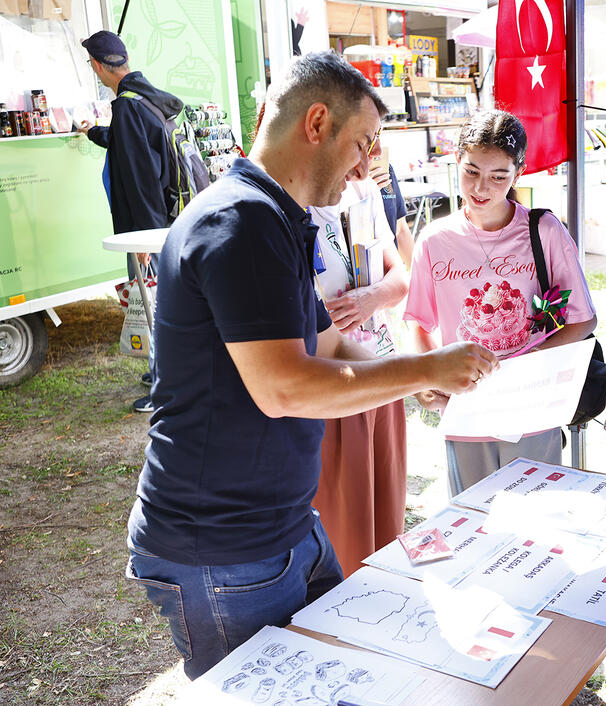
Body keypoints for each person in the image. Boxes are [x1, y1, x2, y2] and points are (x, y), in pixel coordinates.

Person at [123, 51, 497, 680]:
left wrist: (420, 375)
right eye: (362, 143)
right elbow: (284, 388)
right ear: (317, 123)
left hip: (284, 524)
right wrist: (425, 370)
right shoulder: (238, 223)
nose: (365, 165)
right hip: (223, 547)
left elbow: (329, 346)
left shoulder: (274, 218)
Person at [404, 109, 597, 496]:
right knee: (472, 522)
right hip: (465, 410)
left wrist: (525, 364)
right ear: (456, 160)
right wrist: (427, 377)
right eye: (471, 171)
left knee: (537, 522)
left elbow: (582, 321)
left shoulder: (543, 231)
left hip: (530, 408)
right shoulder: (434, 239)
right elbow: (419, 323)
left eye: (498, 176)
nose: (481, 187)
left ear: (518, 174)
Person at [307, 136, 410, 575]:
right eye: (359, 145)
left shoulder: (363, 193)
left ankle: (381, 589)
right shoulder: (289, 208)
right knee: (343, 511)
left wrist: (370, 298)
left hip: (380, 364)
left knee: (386, 501)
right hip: (332, 379)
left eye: (373, 146)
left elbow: (400, 274)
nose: (368, 161)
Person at [78, 30, 180, 414]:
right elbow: (129, 145)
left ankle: (164, 386)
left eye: (93, 66)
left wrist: (144, 238)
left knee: (157, 305)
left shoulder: (127, 106)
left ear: (101, 67)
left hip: (149, 228)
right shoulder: (143, 97)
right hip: (163, 220)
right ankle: (162, 373)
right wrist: (92, 132)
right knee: (160, 301)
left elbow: (139, 177)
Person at [371, 158, 415, 266]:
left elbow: (400, 229)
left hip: (391, 272)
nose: (377, 150)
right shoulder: (341, 178)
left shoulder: (384, 170)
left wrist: (419, 276)